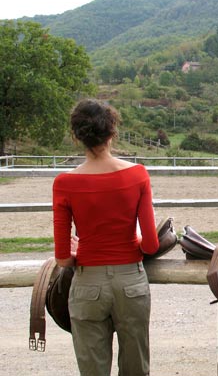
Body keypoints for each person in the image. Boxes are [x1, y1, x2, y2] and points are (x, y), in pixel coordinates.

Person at [53, 99, 159, 375]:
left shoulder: (64, 183)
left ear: (77, 137)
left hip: (88, 283)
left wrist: (80, 249)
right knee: (136, 367)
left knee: (92, 369)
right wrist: (129, 243)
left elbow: (63, 259)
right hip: (131, 283)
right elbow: (150, 244)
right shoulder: (138, 175)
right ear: (113, 133)